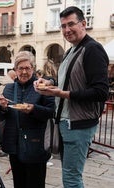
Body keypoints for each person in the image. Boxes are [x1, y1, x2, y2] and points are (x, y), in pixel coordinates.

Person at [34, 6, 109, 188]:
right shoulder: (71, 51)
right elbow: (66, 80)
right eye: (63, 26)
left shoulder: (93, 49)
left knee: (71, 178)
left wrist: (61, 93)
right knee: (70, 175)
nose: (67, 30)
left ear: (83, 24)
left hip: (78, 125)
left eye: (71, 24)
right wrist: (49, 81)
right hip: (67, 123)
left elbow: (100, 92)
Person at [0, 51, 55, 188]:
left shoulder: (42, 88)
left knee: (36, 182)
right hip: (14, 143)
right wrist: (2, 107)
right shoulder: (8, 88)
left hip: (35, 143)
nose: (24, 72)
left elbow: (51, 112)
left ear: (33, 69)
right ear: (15, 70)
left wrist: (33, 109)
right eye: (20, 68)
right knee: (19, 182)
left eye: (27, 68)